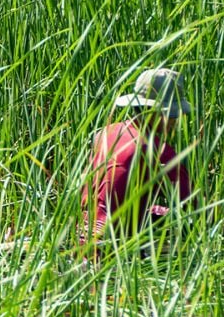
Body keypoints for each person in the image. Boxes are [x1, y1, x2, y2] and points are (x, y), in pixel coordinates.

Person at [81, 67, 193, 242]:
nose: (175, 121)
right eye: (172, 114)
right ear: (157, 113)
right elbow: (196, 206)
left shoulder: (104, 133)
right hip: (114, 246)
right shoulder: (158, 151)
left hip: (83, 235)